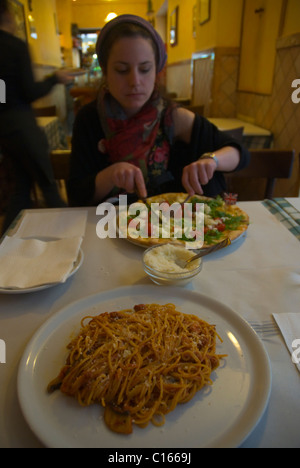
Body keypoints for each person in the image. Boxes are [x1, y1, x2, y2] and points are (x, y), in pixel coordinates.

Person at [67, 14, 249, 207]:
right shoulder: (89, 119)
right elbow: (77, 195)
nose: (135, 81)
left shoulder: (172, 117)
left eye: (145, 69)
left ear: (156, 71)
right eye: (121, 70)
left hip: (169, 229)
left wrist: (213, 160)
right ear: (105, 71)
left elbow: (240, 153)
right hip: (106, 227)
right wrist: (111, 175)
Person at [0, 0, 73, 234]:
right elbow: (30, 92)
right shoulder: (15, 46)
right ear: (7, 14)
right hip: (22, 126)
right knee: (48, 186)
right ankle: (72, 238)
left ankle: (4, 245)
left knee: (21, 189)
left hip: (4, 129)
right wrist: (55, 78)